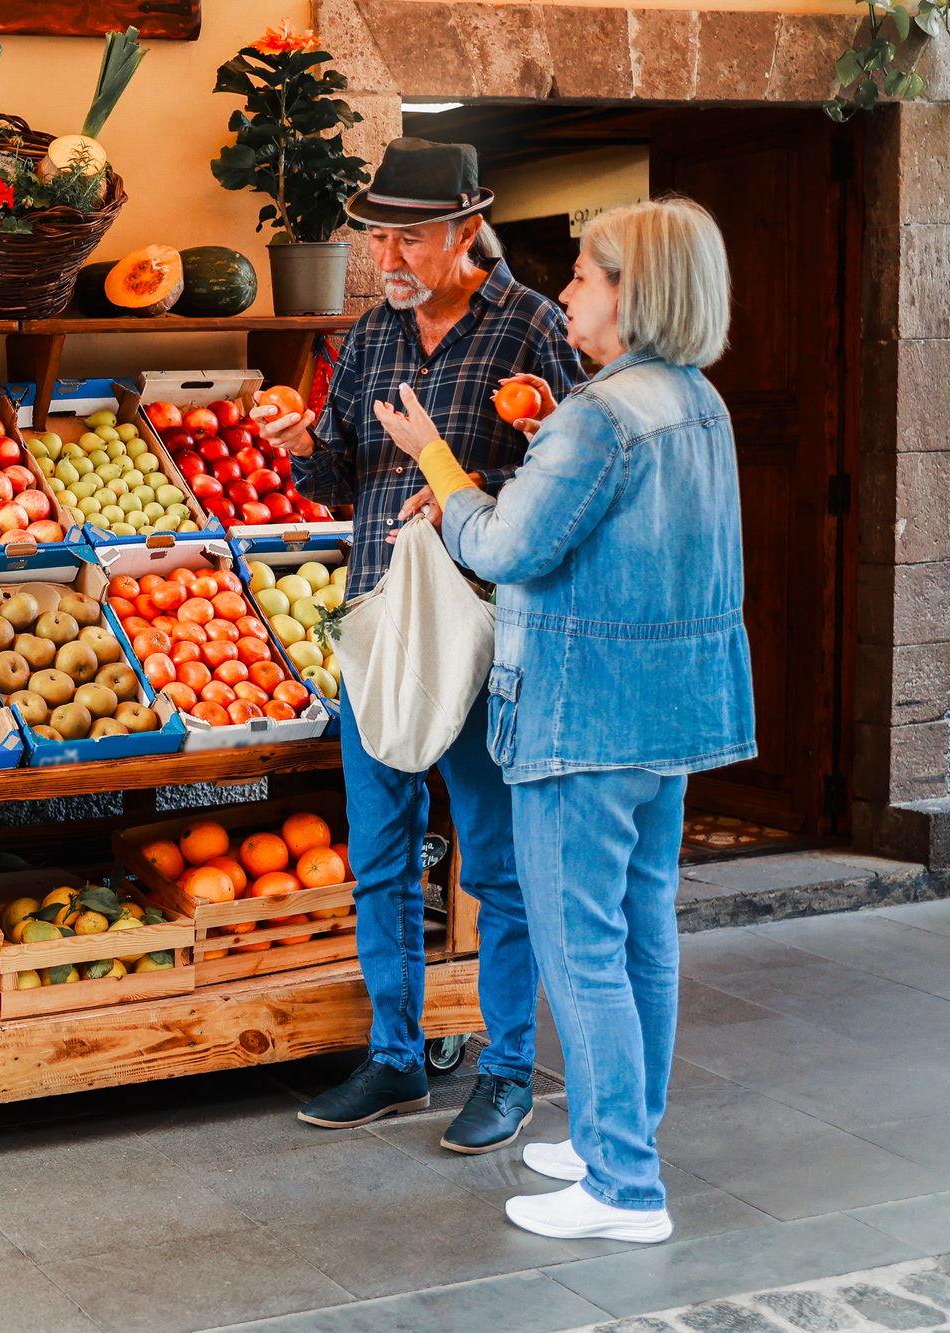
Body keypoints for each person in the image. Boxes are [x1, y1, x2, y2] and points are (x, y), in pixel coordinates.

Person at [371, 197, 754, 1244]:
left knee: (582, 946)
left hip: (581, 716)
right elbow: (641, 533)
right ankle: (607, 1136)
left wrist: (433, 462)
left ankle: (623, 1188)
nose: (568, 291)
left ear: (630, 294)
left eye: (583, 274)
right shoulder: (692, 401)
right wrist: (542, 441)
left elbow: (500, 547)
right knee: (639, 936)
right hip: (669, 713)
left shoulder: (599, 413)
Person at [259, 137, 584, 1155]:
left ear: (460, 230)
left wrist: (504, 455)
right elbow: (339, 476)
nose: (383, 255)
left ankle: (501, 1072)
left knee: (494, 863)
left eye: (403, 236)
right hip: (381, 627)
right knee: (381, 855)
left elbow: (575, 474)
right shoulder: (368, 336)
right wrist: (293, 445)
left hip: (485, 636)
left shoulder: (529, 325)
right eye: (375, 235)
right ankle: (395, 1056)